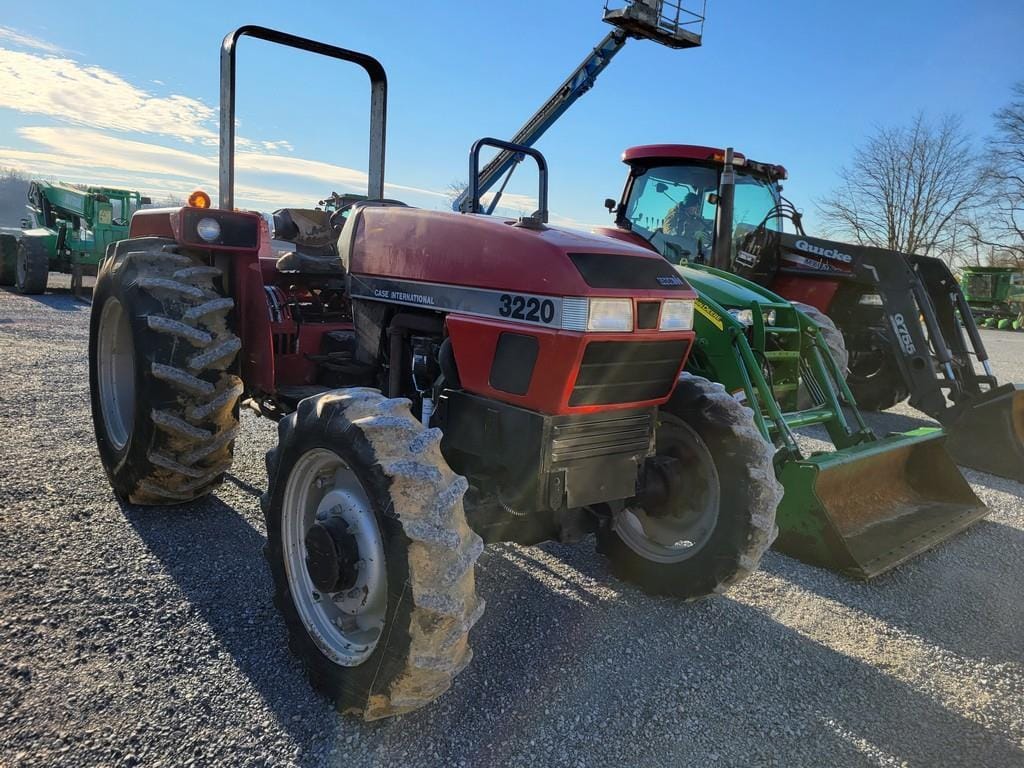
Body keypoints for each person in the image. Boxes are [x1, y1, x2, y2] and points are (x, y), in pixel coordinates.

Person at [662, 192, 711, 261]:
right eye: (695, 206)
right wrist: (693, 234)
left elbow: (700, 228)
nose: (697, 209)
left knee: (710, 253)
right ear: (689, 205)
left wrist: (706, 234)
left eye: (698, 207)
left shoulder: (692, 217)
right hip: (673, 253)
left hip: (688, 251)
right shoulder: (674, 215)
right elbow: (670, 235)